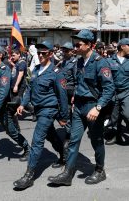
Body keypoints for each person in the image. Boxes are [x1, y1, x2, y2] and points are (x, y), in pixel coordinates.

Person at [48, 29, 115, 186]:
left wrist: (98, 107)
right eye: (74, 44)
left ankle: (99, 170)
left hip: (93, 107)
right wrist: (74, 96)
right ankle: (67, 173)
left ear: (89, 45)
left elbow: (109, 88)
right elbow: (77, 81)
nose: (75, 47)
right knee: (73, 139)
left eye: (78, 44)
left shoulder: (100, 62)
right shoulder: (78, 62)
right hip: (78, 106)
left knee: (96, 140)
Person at [13, 41, 69, 189]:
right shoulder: (36, 70)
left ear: (50, 54)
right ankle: (64, 155)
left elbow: (62, 96)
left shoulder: (56, 73)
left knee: (37, 140)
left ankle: (29, 175)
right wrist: (23, 104)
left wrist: (63, 117)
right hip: (37, 109)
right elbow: (30, 89)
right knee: (50, 135)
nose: (40, 55)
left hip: (48, 110)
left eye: (44, 53)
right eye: (38, 53)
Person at [51, 42, 77, 167]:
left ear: (72, 51)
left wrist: (74, 97)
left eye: (66, 51)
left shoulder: (75, 63)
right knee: (67, 124)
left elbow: (78, 81)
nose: (64, 53)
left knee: (68, 124)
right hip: (62, 95)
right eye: (63, 50)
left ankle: (66, 157)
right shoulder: (63, 62)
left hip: (70, 95)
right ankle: (67, 154)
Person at [105, 38, 129, 145]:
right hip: (113, 93)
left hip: (126, 92)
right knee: (115, 117)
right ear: (122, 46)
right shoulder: (109, 61)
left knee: (127, 114)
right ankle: (116, 136)